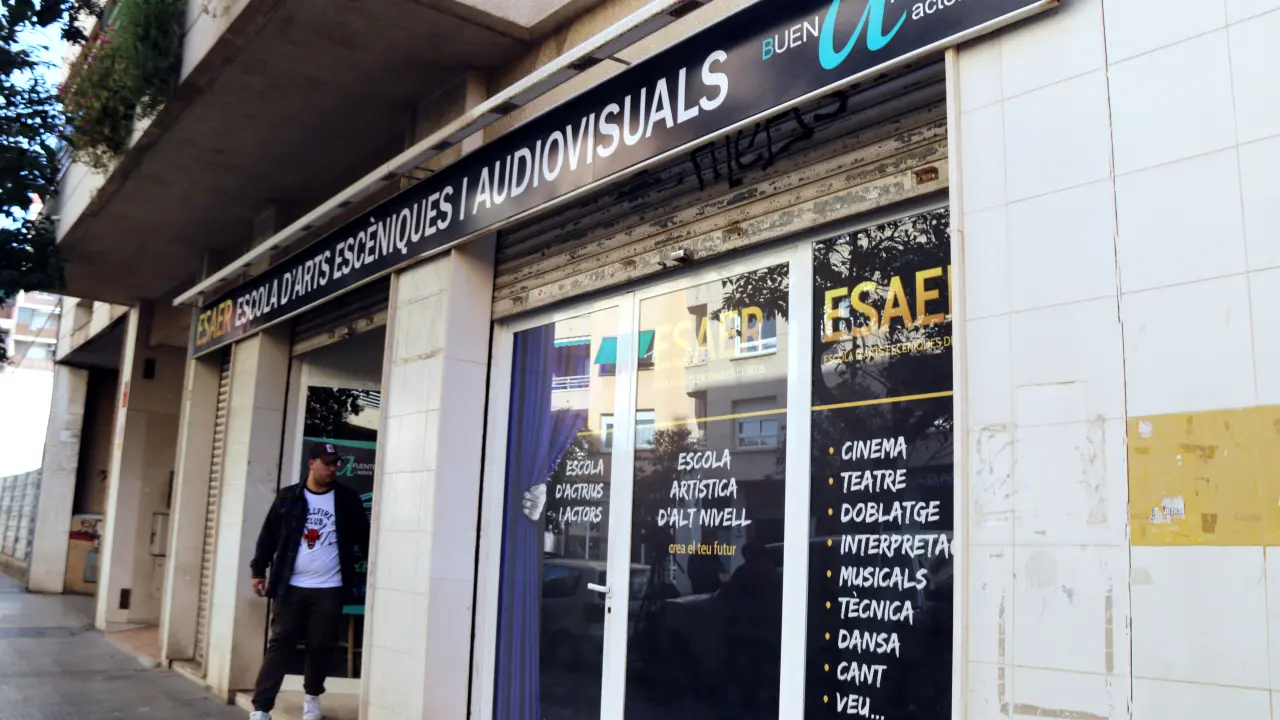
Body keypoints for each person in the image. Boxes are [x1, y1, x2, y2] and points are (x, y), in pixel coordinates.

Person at [248, 442, 371, 720]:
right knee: (280, 645)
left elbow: (365, 538)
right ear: (311, 464)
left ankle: (312, 697)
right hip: (290, 586)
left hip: (330, 587)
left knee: (320, 645)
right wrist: (258, 571)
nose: (333, 468)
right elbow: (268, 537)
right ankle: (261, 708)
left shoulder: (346, 498)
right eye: (327, 463)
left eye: (335, 463)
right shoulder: (288, 497)